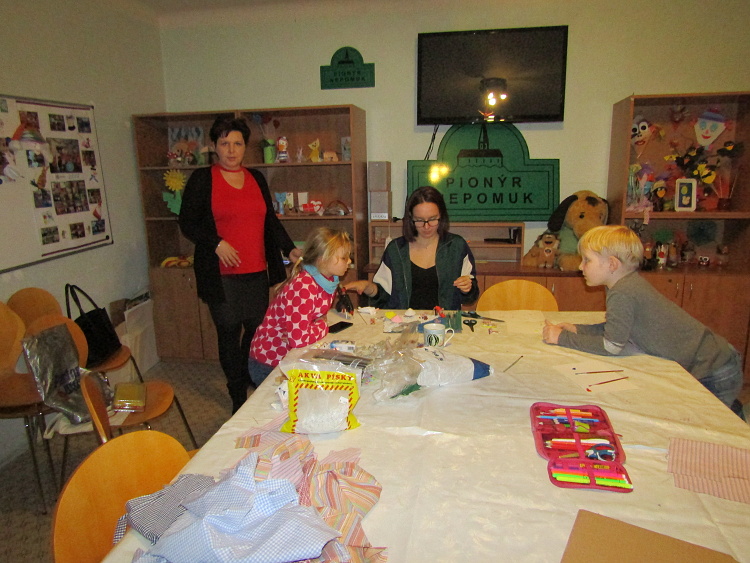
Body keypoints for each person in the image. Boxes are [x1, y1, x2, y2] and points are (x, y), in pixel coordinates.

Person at [542, 225, 744, 417]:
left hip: (713, 368)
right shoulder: (622, 285)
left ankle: (736, 413)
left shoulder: (622, 292)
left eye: (587, 260)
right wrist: (578, 329)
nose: (580, 266)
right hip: (711, 360)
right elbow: (617, 328)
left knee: (715, 425)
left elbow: (612, 346)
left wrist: (562, 338)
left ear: (612, 264)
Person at [179, 116, 302, 414]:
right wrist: (216, 243)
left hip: (256, 271)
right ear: (214, 146)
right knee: (228, 332)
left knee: (255, 331)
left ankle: (245, 375)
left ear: (245, 146)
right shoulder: (203, 179)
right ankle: (237, 393)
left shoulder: (256, 178)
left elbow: (270, 221)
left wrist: (290, 248)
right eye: (224, 143)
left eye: (237, 143)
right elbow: (187, 223)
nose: (231, 150)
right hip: (221, 275)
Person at [248, 227, 352, 386]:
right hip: (271, 362)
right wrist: (322, 326)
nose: (349, 261)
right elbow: (298, 339)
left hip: (289, 357)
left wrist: (315, 325)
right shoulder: (304, 286)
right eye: (344, 257)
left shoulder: (327, 280)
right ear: (322, 259)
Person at [345, 186, 478, 309]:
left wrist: (468, 288)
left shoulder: (456, 247)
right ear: (410, 219)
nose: (426, 226)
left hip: (444, 323)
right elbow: (383, 296)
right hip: (404, 322)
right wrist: (368, 287)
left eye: (432, 219)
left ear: (441, 216)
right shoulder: (396, 250)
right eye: (419, 220)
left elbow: (470, 298)